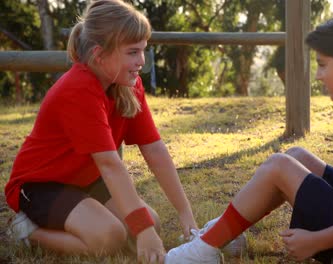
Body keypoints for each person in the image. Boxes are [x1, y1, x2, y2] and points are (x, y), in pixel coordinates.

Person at [164, 6, 333, 264]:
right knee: (296, 156)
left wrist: (315, 241)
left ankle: (204, 250)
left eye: (323, 65)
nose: (319, 75)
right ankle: (225, 234)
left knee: (278, 166)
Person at [4, 0, 198, 263]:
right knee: (109, 239)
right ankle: (28, 231)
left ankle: (87, 217)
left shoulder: (129, 84)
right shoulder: (78, 88)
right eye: (132, 52)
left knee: (152, 222)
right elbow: (109, 164)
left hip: (86, 181)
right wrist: (143, 231)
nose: (141, 61)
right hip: (41, 185)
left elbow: (154, 149)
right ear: (99, 55)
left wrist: (185, 213)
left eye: (143, 50)